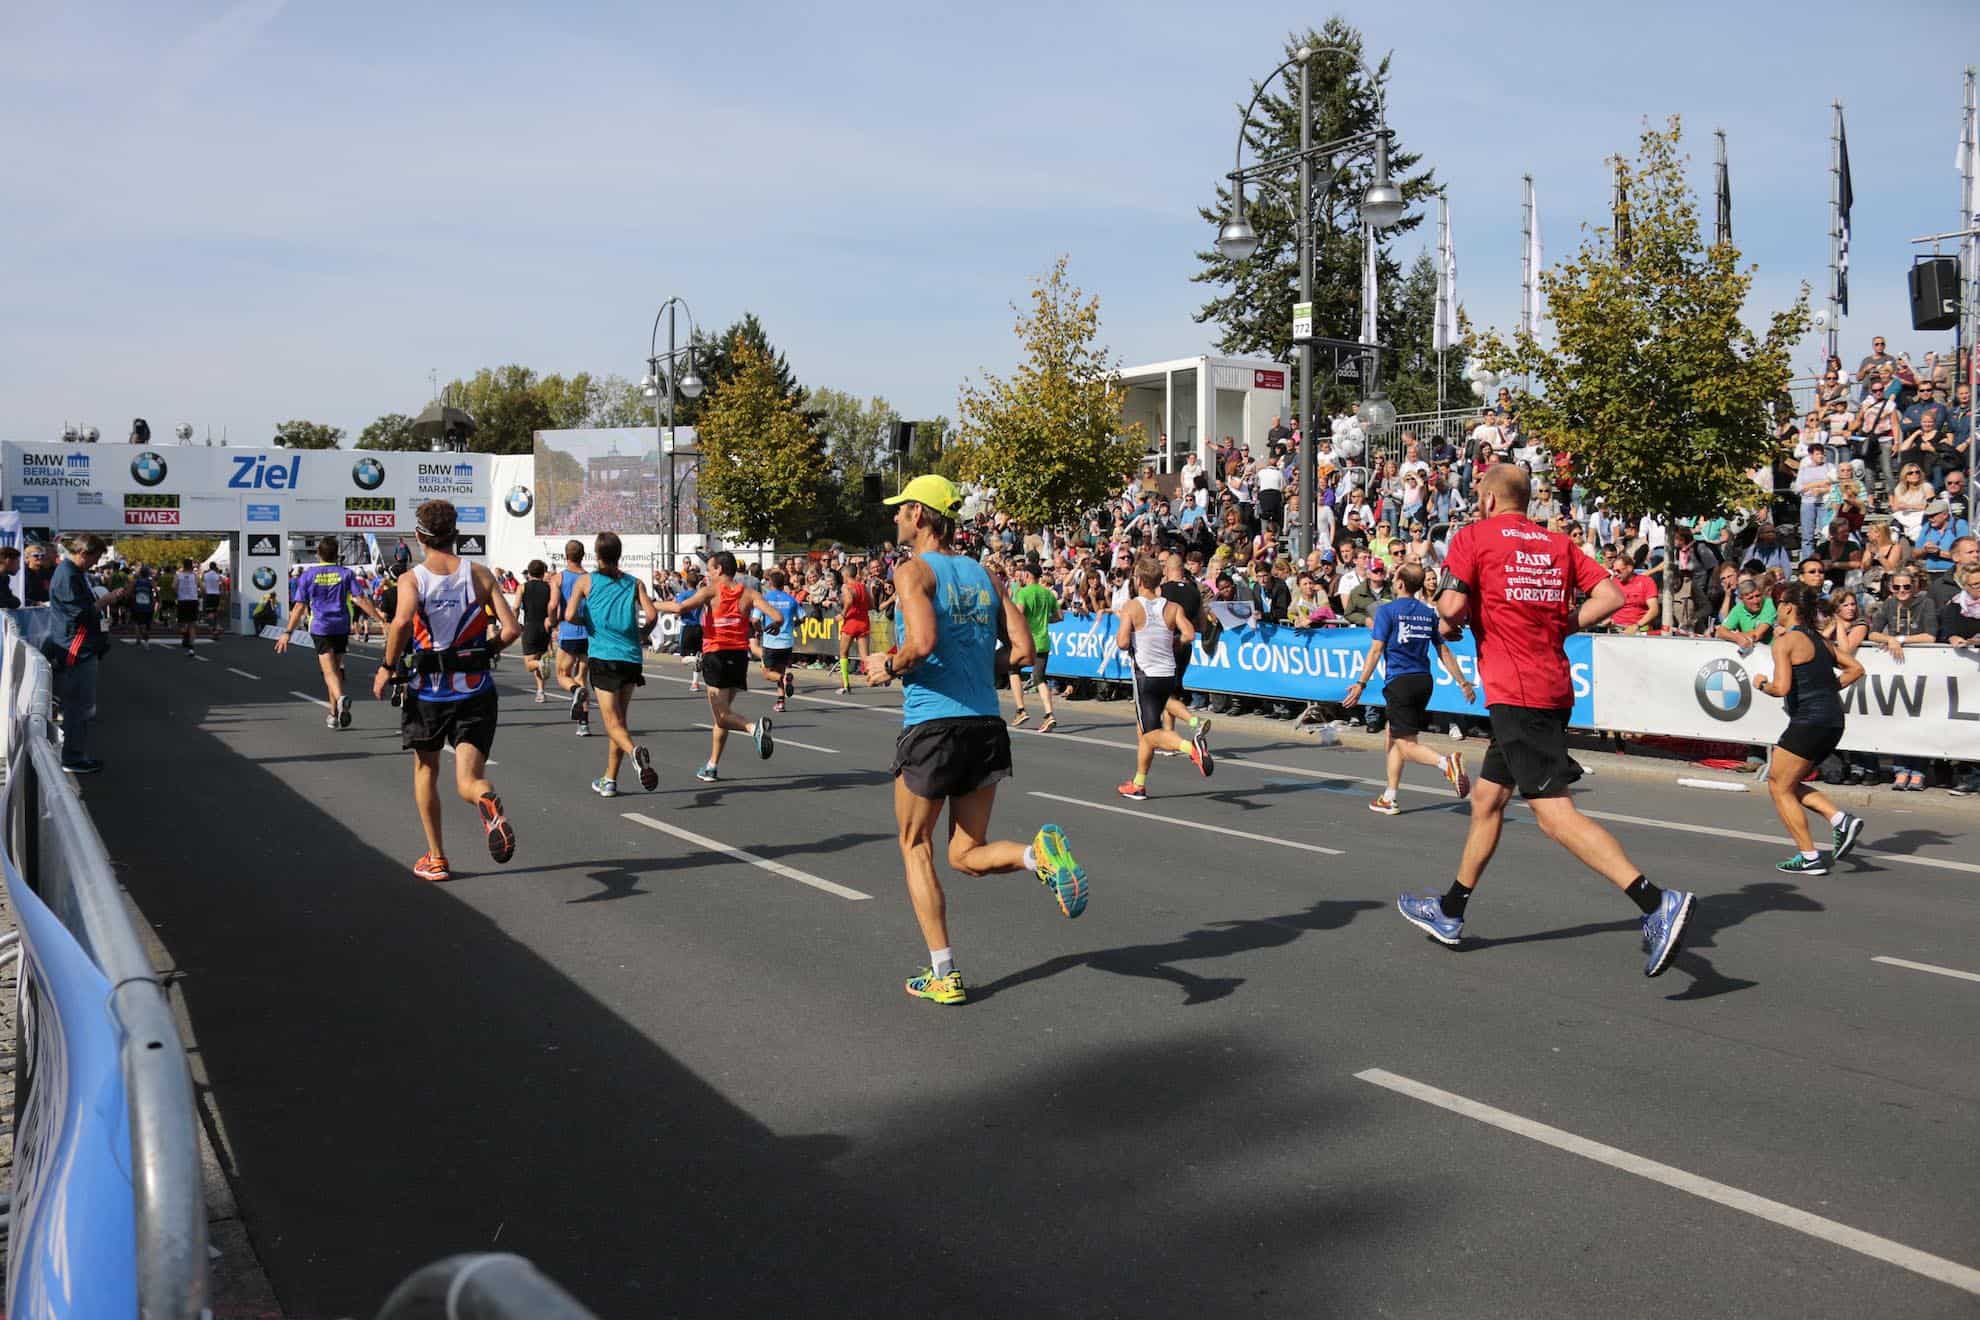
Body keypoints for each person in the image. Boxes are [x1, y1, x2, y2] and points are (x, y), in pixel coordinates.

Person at [1395, 464, 1695, 979]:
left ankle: (1655, 901)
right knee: (1488, 800)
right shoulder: (1556, 544)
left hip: (1517, 693)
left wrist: (1451, 615)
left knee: (1554, 815)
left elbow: (1449, 607)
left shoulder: (1474, 537)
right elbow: (1614, 597)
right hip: (1551, 685)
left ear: (1488, 500)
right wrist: (1558, 627)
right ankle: (1450, 910)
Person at [862, 475, 1087, 1006]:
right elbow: (1024, 651)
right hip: (986, 725)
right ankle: (1039, 857)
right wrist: (974, 670)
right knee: (966, 853)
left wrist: (886, 665)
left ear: (920, 514)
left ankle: (944, 973)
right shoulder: (986, 575)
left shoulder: (912, 571)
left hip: (933, 726)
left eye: (901, 510)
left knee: (915, 846)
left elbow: (920, 643)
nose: (895, 517)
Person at [370, 500, 520, 883]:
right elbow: (511, 630)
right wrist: (484, 651)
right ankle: (485, 799)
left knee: (426, 768)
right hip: (476, 690)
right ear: (456, 535)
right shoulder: (481, 574)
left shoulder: (413, 579)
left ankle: (436, 858)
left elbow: (402, 621)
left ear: (419, 536)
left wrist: (387, 667)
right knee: (469, 779)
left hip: (429, 693)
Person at [1344, 563, 1476, 814]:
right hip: (1423, 681)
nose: (1393, 581)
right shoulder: (1428, 613)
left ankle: (1447, 763)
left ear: (1401, 584)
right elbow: (1443, 650)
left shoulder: (1387, 611)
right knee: (1393, 736)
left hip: (1400, 682)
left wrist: (1361, 683)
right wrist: (1463, 682)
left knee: (1405, 744)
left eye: (1395, 578)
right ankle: (1389, 796)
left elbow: (1375, 650)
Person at [1757, 583, 1866, 874]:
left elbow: (1781, 688)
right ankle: (1840, 820)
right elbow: (1856, 669)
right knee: (1786, 782)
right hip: (1833, 721)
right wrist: (1828, 690)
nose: (1776, 609)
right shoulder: (1819, 640)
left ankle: (1809, 857)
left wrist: (1761, 684)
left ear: (1789, 607)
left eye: (1778, 603)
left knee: (1778, 786)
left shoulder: (1786, 641)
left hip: (1809, 720)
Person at [656, 551, 778, 783]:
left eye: (710, 569)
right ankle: (712, 765)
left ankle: (754, 729)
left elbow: (680, 608)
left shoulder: (711, 591)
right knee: (722, 715)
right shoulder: (749, 593)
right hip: (739, 656)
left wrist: (652, 604)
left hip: (716, 655)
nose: (708, 573)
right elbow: (776, 616)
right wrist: (775, 626)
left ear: (720, 569)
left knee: (722, 715)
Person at [562, 531, 660, 798]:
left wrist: (588, 622)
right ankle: (610, 780)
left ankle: (634, 753)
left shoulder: (586, 581)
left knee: (612, 723)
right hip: (630, 658)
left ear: (597, 555)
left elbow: (569, 615)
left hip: (604, 657)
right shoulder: (634, 582)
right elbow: (651, 614)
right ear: (619, 554)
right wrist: (642, 633)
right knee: (619, 722)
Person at [1114, 557, 1212, 799]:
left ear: (1138, 581)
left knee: (1150, 733)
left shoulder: (1132, 606)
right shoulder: (1172, 607)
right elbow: (1190, 632)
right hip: (1168, 673)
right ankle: (1138, 783)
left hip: (1145, 676)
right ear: (1160, 581)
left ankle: (1191, 749)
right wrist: (1176, 641)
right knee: (1146, 732)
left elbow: (1123, 641)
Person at [277, 537, 384, 730]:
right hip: (341, 626)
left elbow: (300, 606)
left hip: (320, 627)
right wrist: (380, 619)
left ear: (318, 553)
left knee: (329, 673)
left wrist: (288, 632)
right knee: (336, 670)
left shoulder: (308, 575)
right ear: (337, 555)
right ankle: (333, 714)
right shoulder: (346, 574)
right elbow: (360, 599)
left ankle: (340, 699)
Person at [48, 535, 120, 774]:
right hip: (77, 647)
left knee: (79, 704)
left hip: (79, 644)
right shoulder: (68, 575)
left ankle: (74, 753)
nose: (96, 562)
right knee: (80, 705)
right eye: (96, 557)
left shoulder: (72, 573)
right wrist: (104, 601)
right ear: (85, 553)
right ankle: (73, 757)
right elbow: (79, 615)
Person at [1007, 561, 1060, 732]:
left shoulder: (1023, 592)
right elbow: (1059, 617)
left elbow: (1019, 614)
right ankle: (1049, 714)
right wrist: (1044, 619)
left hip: (1026, 641)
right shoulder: (1048, 594)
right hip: (1043, 641)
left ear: (1028, 575)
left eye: (1024, 573)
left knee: (1013, 669)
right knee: (1039, 679)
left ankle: (1021, 709)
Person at [549, 540, 593, 737]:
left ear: (565, 555)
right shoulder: (591, 578)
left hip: (569, 631)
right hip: (589, 633)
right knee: (582, 677)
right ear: (583, 555)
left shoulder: (559, 578)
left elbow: (552, 605)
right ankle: (583, 725)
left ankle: (574, 690)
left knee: (562, 675)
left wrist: (552, 623)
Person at [755, 568, 799, 713]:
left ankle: (785, 678)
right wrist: (794, 624)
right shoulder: (791, 599)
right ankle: (781, 703)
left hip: (771, 641)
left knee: (767, 673)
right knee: (780, 669)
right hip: (786, 642)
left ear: (771, 583)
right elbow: (803, 617)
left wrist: (759, 630)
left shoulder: (765, 599)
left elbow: (755, 619)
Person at [516, 560, 553, 702]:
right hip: (545, 627)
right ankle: (541, 691)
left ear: (529, 572)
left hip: (530, 626)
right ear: (543, 572)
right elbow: (554, 606)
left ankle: (539, 666)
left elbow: (515, 607)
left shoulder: (523, 587)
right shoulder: (549, 588)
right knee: (540, 657)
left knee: (530, 664)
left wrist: (514, 623)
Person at [837, 567, 874, 694]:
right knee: (864, 656)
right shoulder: (863, 587)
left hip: (851, 622)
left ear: (846, 575)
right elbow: (871, 604)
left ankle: (845, 683)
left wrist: (843, 614)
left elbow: (849, 600)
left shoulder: (847, 587)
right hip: (863, 622)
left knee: (843, 652)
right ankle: (878, 674)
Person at [173, 558, 202, 653]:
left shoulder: (178, 575)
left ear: (183, 566)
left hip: (182, 601)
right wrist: (198, 591)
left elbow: (173, 586)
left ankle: (185, 633)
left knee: (181, 622)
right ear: (192, 566)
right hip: (193, 600)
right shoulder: (195, 576)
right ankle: (192, 646)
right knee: (192, 624)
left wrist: (178, 592)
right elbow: (202, 587)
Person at [200, 561, 225, 636]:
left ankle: (213, 627)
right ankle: (216, 626)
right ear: (215, 567)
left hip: (208, 595)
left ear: (209, 567)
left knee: (209, 612)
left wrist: (203, 593)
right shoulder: (217, 575)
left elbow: (202, 585)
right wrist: (222, 593)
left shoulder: (205, 575)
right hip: (216, 595)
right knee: (215, 611)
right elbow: (221, 585)